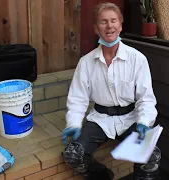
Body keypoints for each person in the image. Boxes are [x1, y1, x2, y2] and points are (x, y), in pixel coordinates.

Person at [61, 2, 158, 180]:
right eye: (103, 21)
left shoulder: (137, 59)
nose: (109, 25)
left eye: (113, 20)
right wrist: (73, 123)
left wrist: (144, 121)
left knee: (151, 156)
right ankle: (104, 176)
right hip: (100, 119)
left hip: (131, 119)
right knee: (73, 154)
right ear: (96, 28)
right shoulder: (86, 62)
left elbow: (146, 98)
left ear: (120, 25)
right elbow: (78, 98)